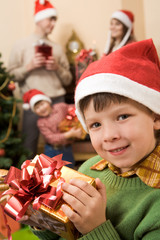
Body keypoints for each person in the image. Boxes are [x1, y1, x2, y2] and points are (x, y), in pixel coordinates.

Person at [28, 39, 160, 240]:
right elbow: (66, 233)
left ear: (156, 117)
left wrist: (95, 229)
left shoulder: (155, 205)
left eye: (122, 117)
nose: (109, 136)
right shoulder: (87, 170)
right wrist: (41, 216)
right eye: (96, 125)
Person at [8, 0, 72, 158]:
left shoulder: (57, 48)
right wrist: (29, 66)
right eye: (50, 19)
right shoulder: (20, 45)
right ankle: (27, 179)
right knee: (29, 143)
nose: (53, 23)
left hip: (57, 100)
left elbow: (68, 80)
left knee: (62, 144)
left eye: (55, 19)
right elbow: (10, 76)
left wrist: (57, 68)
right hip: (32, 103)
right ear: (39, 19)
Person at [23, 89, 82, 168]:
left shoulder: (60, 107)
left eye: (42, 104)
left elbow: (73, 108)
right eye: (37, 108)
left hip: (67, 148)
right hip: (52, 150)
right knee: (52, 171)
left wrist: (76, 122)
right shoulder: (41, 122)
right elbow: (51, 138)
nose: (41, 108)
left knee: (69, 169)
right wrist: (69, 134)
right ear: (35, 112)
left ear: (48, 101)